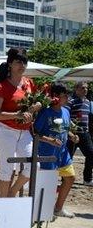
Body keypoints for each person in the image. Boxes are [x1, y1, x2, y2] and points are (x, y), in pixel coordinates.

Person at [0, 48, 41, 198]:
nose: (22, 65)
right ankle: (4, 207)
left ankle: (11, 193)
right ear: (10, 64)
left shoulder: (29, 83)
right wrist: (16, 115)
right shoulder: (1, 87)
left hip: (24, 131)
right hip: (5, 130)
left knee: (34, 166)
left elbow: (36, 101)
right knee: (6, 169)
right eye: (18, 62)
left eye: (24, 62)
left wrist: (37, 105)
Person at [34, 83, 79, 218]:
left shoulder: (66, 111)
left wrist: (72, 136)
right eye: (65, 95)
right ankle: (42, 212)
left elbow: (64, 129)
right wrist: (50, 140)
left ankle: (58, 208)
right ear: (56, 97)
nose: (68, 98)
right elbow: (34, 133)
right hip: (47, 154)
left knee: (70, 178)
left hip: (63, 153)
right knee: (47, 184)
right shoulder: (45, 112)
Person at [67, 81, 93, 186]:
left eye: (86, 88)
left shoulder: (88, 102)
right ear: (76, 89)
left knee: (91, 153)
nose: (85, 90)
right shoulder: (71, 102)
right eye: (82, 88)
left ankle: (87, 179)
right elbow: (66, 117)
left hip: (85, 134)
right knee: (68, 157)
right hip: (72, 134)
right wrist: (72, 128)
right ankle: (66, 179)